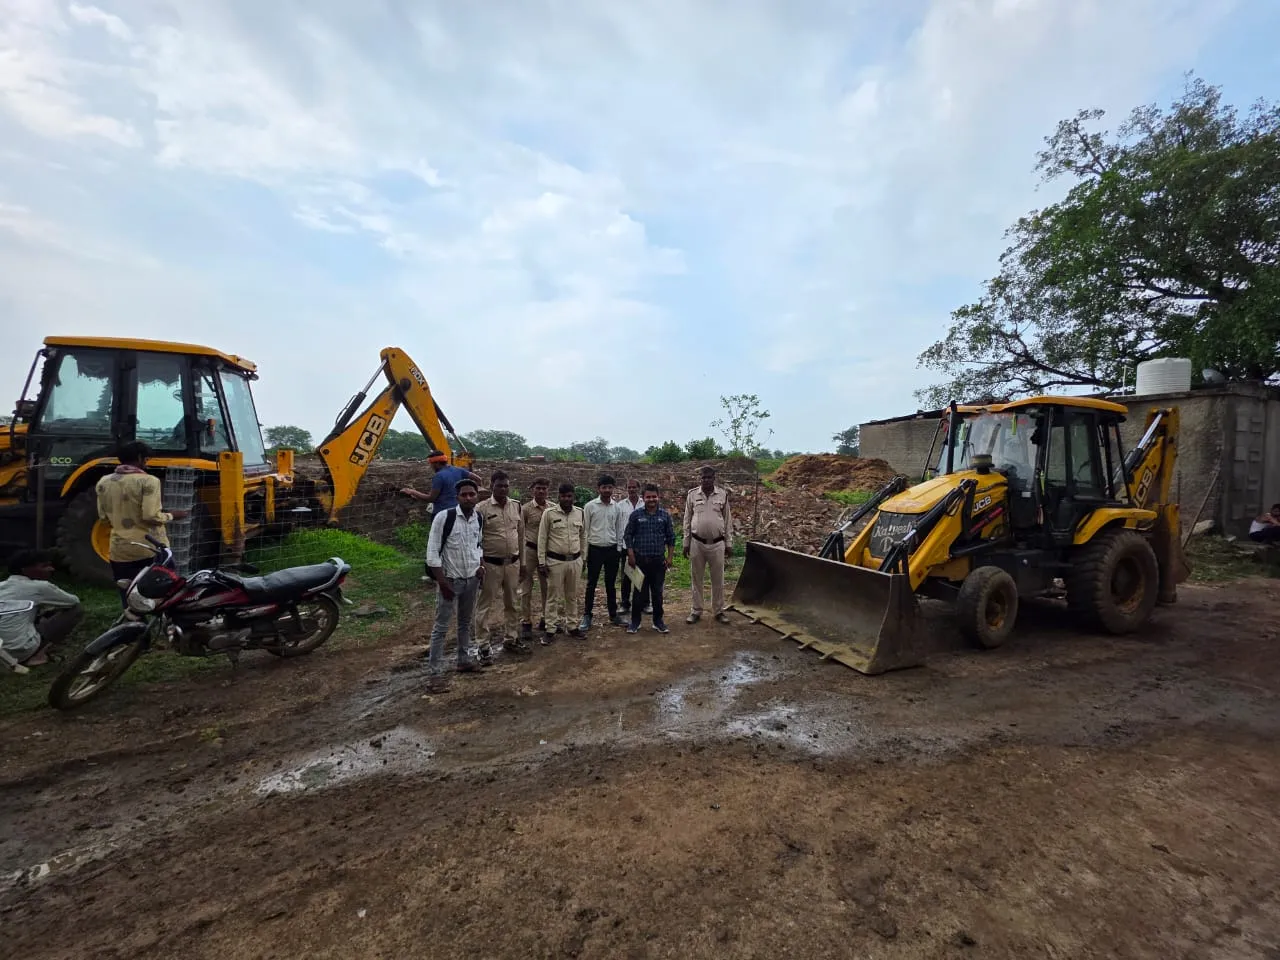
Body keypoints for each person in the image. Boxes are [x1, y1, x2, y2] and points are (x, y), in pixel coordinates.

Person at [95, 441, 186, 602]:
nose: (146, 463)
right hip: (151, 548)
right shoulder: (148, 481)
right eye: (146, 459)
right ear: (139, 458)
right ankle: (165, 624)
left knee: (129, 595)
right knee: (165, 593)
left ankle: (133, 624)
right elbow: (151, 516)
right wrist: (172, 515)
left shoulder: (104, 482)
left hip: (120, 550)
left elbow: (103, 518)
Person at [424, 478, 487, 692]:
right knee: (441, 628)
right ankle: (434, 674)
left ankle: (463, 660)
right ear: (457, 497)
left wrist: (480, 567)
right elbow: (432, 552)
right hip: (450, 580)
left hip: (471, 578)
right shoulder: (445, 517)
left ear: (477, 496)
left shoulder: (478, 517)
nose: (468, 498)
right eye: (464, 495)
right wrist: (442, 582)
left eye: (472, 494)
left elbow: (478, 545)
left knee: (465, 623)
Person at [0, 550, 84, 668]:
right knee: (76, 609)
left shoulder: (2, 586)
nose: (51, 569)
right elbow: (73, 601)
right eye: (45, 566)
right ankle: (37, 655)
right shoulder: (39, 587)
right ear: (26, 570)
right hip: (19, 651)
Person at [475, 470, 528, 657]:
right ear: (491, 486)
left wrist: (522, 563)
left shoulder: (516, 507)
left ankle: (511, 638)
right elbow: (476, 540)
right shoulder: (481, 509)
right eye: (499, 485)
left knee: (512, 603)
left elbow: (520, 536)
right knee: (485, 604)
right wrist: (479, 564)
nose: (503, 489)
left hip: (513, 564)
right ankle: (482, 644)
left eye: (506, 485)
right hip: (491, 564)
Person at [537, 482, 587, 644]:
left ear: (574, 497)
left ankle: (572, 626)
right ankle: (550, 629)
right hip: (555, 561)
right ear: (558, 496)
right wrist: (541, 562)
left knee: (572, 596)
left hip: (575, 561)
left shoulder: (580, 513)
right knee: (553, 596)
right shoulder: (549, 514)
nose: (566, 499)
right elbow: (542, 538)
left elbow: (583, 537)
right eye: (563, 496)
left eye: (569, 496)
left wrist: (583, 558)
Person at [683, 465, 734, 624]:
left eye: (709, 477)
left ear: (714, 478)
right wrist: (686, 542)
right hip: (697, 542)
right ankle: (696, 611)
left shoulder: (722, 495)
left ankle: (718, 611)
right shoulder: (692, 495)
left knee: (718, 579)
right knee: (696, 579)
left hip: (717, 543)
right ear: (700, 479)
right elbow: (687, 519)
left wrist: (729, 543)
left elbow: (727, 521)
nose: (706, 480)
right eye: (703, 477)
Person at [579, 474, 629, 631]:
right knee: (591, 584)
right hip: (595, 549)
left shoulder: (617, 507)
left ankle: (613, 615)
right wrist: (585, 555)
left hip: (612, 549)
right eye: (604, 487)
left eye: (609, 487)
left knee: (611, 584)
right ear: (598, 488)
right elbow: (585, 531)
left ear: (613, 489)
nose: (607, 490)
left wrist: (619, 549)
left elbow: (620, 529)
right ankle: (587, 615)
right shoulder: (590, 506)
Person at [625, 483, 675, 635]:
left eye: (654, 496)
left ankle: (658, 622)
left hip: (658, 562)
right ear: (643, 498)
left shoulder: (664, 515)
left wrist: (670, 557)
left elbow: (671, 538)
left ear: (658, 497)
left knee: (657, 594)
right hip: (640, 561)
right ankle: (635, 622)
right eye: (648, 497)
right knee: (638, 593)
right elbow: (628, 535)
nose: (651, 499)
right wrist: (631, 554)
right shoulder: (636, 515)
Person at [400, 450, 481, 522]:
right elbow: (478, 479)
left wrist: (412, 491)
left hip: (442, 515)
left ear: (437, 463)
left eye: (431, 464)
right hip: (459, 512)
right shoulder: (458, 470)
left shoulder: (439, 476)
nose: (430, 466)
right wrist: (472, 493)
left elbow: (431, 498)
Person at [519, 478, 552, 642]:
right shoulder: (525, 509)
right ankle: (526, 621)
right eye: (538, 488)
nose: (541, 491)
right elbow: (520, 531)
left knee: (547, 586)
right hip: (530, 550)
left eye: (544, 489)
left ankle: (546, 619)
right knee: (527, 587)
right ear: (533, 490)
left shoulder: (552, 508)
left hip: (546, 552)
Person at [617, 478, 645, 616]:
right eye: (629, 487)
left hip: (642, 546)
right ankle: (625, 603)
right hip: (625, 546)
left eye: (634, 487)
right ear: (626, 488)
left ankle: (645, 603)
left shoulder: (644, 504)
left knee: (643, 575)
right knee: (626, 576)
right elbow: (619, 526)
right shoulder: (621, 505)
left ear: (638, 488)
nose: (632, 489)